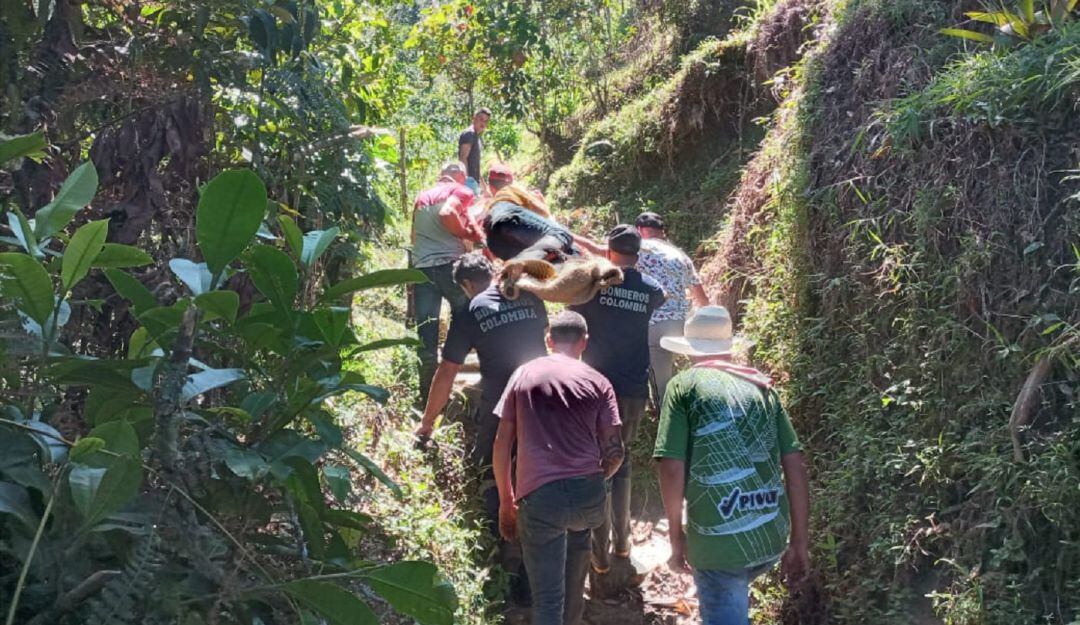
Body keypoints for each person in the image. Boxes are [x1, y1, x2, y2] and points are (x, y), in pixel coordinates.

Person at [653, 306, 810, 625]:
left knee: (726, 595)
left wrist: (675, 536)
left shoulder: (684, 387)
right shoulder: (762, 387)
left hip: (718, 540)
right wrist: (799, 542)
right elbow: (794, 463)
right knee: (733, 595)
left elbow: (671, 467)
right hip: (769, 537)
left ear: (690, 350)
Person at [493, 311, 625, 625]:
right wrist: (595, 478)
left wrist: (506, 502)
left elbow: (501, 443)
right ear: (584, 342)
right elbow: (616, 453)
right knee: (576, 548)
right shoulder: (599, 382)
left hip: (541, 499)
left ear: (548, 340)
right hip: (588, 498)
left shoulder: (524, 374)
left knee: (548, 601)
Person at [568, 225, 664, 574]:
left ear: (609, 252)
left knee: (596, 463)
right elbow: (659, 296)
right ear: (638, 255)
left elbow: (569, 304)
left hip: (594, 388)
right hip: (633, 389)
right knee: (620, 461)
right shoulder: (652, 290)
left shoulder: (595, 287)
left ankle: (599, 553)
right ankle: (622, 544)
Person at [411, 162, 485, 405]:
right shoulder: (461, 191)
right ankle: (458, 374)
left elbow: (413, 238)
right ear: (461, 177)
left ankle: (426, 396)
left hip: (422, 269)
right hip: (449, 267)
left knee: (427, 330)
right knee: (465, 317)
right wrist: (469, 235)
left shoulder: (421, 198)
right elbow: (447, 214)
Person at [634, 211, 710, 406]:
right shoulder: (680, 255)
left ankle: (665, 421)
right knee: (702, 371)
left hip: (652, 324)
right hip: (680, 323)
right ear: (662, 231)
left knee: (663, 386)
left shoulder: (636, 250)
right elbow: (700, 296)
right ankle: (706, 403)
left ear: (640, 231)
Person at [458, 108, 491, 191]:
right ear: (474, 118)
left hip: (474, 183)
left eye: (486, 121)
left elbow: (475, 166)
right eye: (481, 119)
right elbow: (463, 158)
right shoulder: (469, 134)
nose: (483, 123)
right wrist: (467, 182)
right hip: (468, 183)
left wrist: (484, 188)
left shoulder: (475, 136)